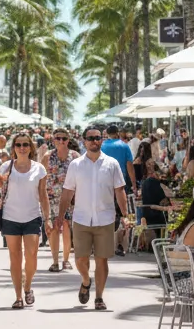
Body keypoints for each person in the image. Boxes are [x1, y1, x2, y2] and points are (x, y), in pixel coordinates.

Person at [54, 125, 131, 311]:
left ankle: (99, 297)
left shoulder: (112, 164)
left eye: (97, 138)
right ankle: (86, 281)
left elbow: (119, 190)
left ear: (102, 140)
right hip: (81, 218)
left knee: (101, 259)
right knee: (80, 259)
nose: (94, 141)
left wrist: (126, 216)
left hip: (105, 218)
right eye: (90, 138)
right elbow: (67, 192)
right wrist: (60, 215)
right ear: (84, 141)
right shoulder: (76, 165)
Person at [0, 131, 49, 309]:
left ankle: (27, 286)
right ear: (14, 148)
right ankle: (18, 296)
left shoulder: (39, 168)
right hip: (10, 217)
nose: (22, 148)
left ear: (31, 148)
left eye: (26, 145)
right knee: (15, 257)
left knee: (31, 255)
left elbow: (43, 194)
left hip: (32, 216)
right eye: (18, 145)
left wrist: (48, 218)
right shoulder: (5, 167)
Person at [40, 128, 79, 271]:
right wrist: (40, 195)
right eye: (58, 138)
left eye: (64, 138)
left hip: (70, 198)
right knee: (53, 229)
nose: (61, 141)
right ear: (53, 140)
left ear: (68, 140)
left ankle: (66, 260)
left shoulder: (75, 156)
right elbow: (41, 179)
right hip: (51, 198)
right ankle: (55, 261)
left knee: (67, 227)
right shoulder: (47, 156)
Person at [101, 124, 136, 256]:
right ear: (118, 133)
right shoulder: (124, 145)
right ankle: (119, 245)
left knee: (105, 211)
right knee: (122, 212)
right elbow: (129, 166)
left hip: (104, 183)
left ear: (107, 133)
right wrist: (133, 183)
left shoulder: (102, 146)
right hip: (121, 183)